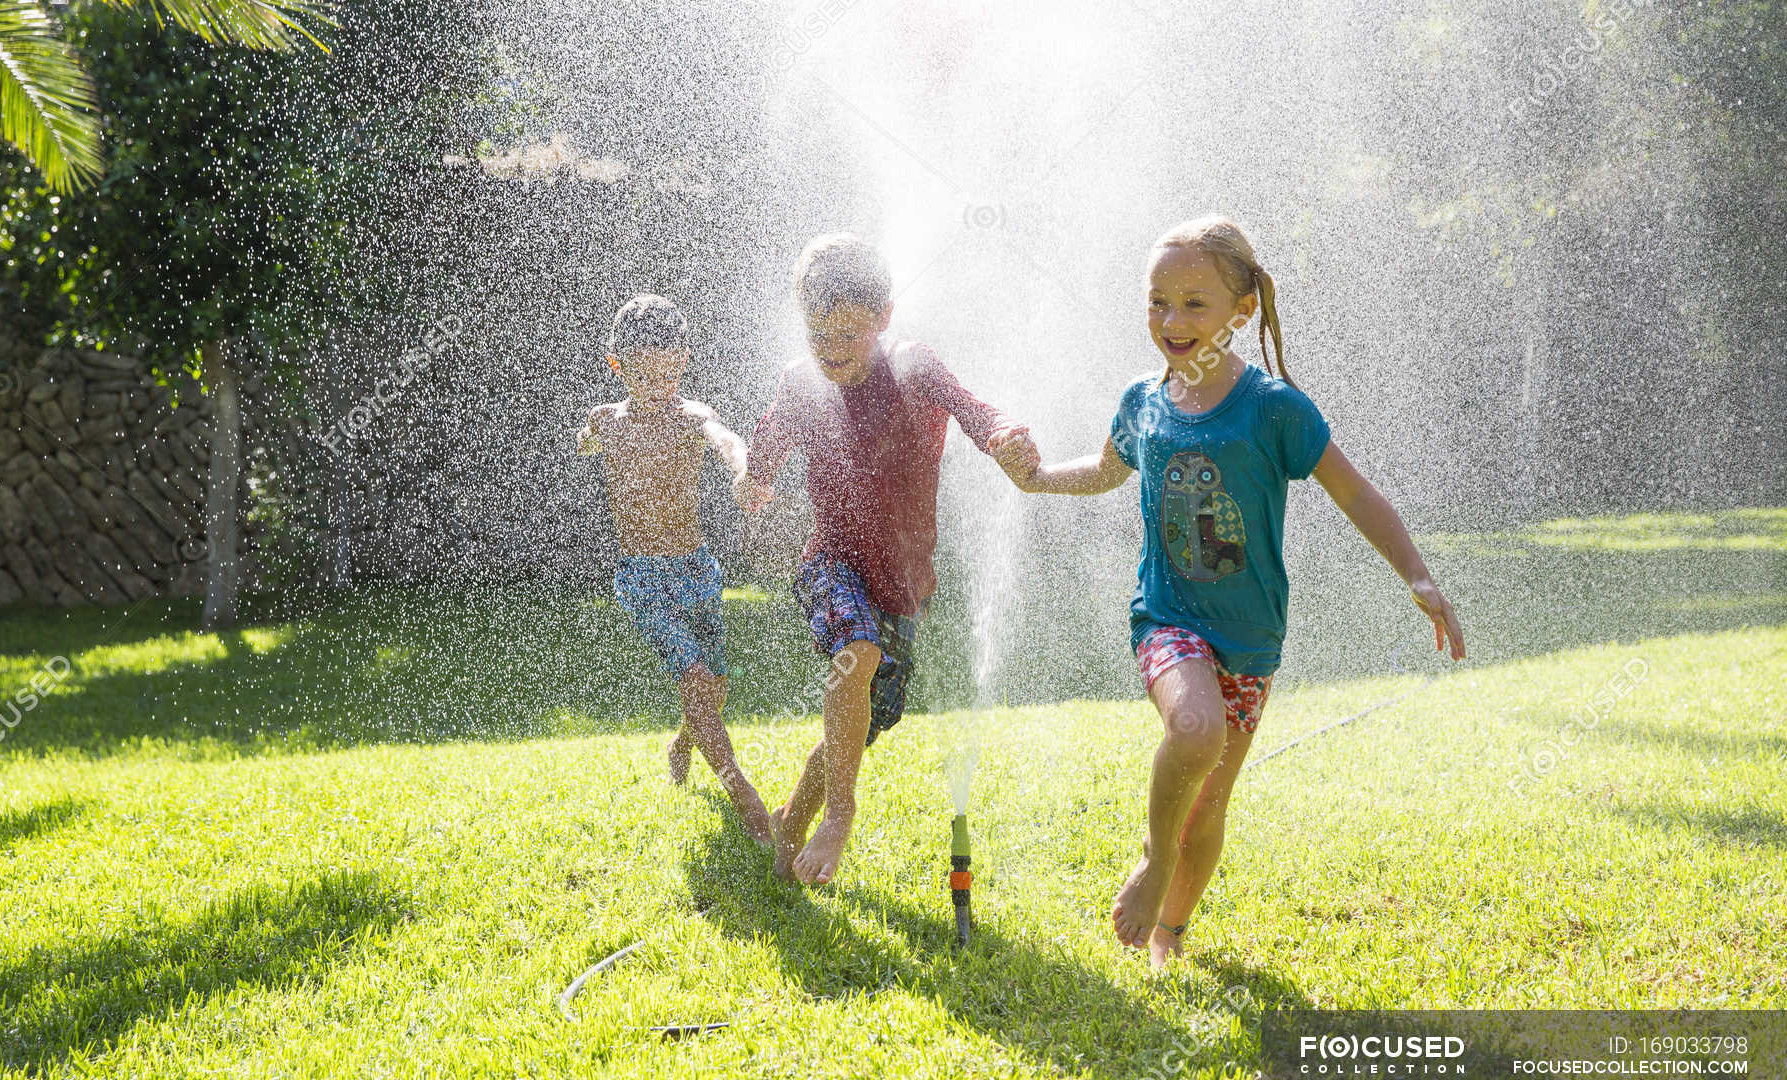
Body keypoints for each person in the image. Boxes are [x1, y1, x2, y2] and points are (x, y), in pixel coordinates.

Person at [1007, 215, 1466, 967]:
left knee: (1210, 802)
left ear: (1241, 311)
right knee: (1195, 731)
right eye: (1158, 302)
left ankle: (1171, 934)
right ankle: (1155, 865)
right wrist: (1035, 479)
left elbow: (1355, 494)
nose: (1172, 321)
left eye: (1194, 303)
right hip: (1166, 619)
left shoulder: (1274, 408)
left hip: (1250, 635)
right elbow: (1104, 471)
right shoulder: (1142, 401)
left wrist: (1416, 573)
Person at [735, 233, 1039, 885]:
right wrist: (752, 478)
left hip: (905, 587)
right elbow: (763, 454)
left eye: (851, 331)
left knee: (861, 723)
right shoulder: (800, 384)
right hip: (831, 563)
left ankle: (789, 829)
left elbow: (974, 411)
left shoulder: (912, 367)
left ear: (885, 317)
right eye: (820, 333)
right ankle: (839, 817)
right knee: (858, 652)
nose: (835, 348)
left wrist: (1004, 433)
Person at [577, 293, 773, 848]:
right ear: (617, 366)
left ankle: (683, 743)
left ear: (683, 361)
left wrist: (744, 474)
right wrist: (588, 440)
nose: (656, 383)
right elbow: (585, 441)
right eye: (641, 373)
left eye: (666, 371)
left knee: (715, 688)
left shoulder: (693, 417)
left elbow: (728, 441)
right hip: (641, 576)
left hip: (697, 569)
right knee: (693, 679)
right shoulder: (607, 422)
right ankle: (748, 803)